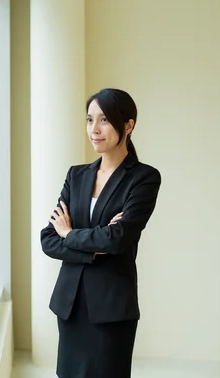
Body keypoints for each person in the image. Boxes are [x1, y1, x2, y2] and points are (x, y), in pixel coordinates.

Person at [40, 88, 162, 377]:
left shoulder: (143, 178)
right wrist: (96, 243)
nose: (94, 129)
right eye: (89, 119)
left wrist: (70, 234)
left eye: (104, 120)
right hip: (70, 304)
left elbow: (118, 239)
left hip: (110, 307)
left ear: (128, 125)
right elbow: (48, 238)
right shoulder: (76, 175)